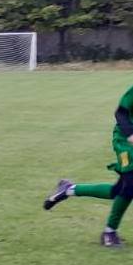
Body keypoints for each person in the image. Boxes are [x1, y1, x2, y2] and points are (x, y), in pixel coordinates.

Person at [43, 83, 133, 247]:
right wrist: (130, 134)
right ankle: (109, 233)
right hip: (125, 143)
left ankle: (69, 189)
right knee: (130, 184)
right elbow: (121, 112)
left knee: (118, 191)